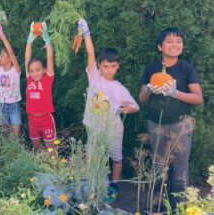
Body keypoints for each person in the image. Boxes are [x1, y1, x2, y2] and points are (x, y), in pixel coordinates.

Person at [139, 27, 203, 209]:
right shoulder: (152, 68)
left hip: (181, 124)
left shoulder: (186, 68)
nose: (174, 45)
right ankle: (156, 207)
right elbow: (142, 98)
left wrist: (175, 93)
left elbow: (198, 98)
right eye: (169, 41)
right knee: (159, 168)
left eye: (178, 41)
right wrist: (148, 90)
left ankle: (181, 208)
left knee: (180, 171)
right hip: (156, 124)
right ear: (160, 46)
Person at [79, 19, 139, 203]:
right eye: (106, 66)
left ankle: (113, 187)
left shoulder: (119, 88)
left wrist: (118, 109)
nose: (109, 70)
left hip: (113, 129)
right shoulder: (95, 77)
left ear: (118, 66)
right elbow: (90, 53)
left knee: (116, 158)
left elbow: (135, 107)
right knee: (92, 156)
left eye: (113, 66)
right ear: (100, 66)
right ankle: (93, 185)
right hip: (95, 127)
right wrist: (86, 33)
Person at [25, 22, 56, 154]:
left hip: (46, 120)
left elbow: (49, 57)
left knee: (51, 151)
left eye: (38, 70)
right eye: (32, 71)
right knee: (36, 150)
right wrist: (29, 40)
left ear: (44, 70)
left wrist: (47, 39)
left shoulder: (47, 79)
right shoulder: (29, 79)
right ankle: (39, 173)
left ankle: (55, 173)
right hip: (33, 121)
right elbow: (27, 59)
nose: (35, 73)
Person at [0, 23, 22, 136]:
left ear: (9, 59)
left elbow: (11, 52)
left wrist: (2, 37)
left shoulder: (16, 70)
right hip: (2, 105)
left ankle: (17, 152)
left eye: (2, 55)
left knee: (16, 135)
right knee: (5, 135)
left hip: (14, 105)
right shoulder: (0, 70)